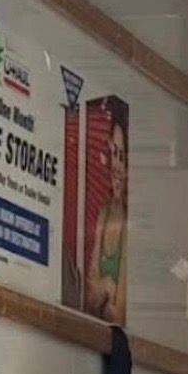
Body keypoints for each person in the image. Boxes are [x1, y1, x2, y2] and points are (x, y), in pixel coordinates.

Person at [85, 108, 128, 323]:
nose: (117, 167)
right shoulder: (104, 213)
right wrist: (108, 286)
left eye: (122, 156)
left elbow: (118, 316)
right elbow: (90, 299)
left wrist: (104, 286)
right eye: (114, 155)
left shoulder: (131, 225)